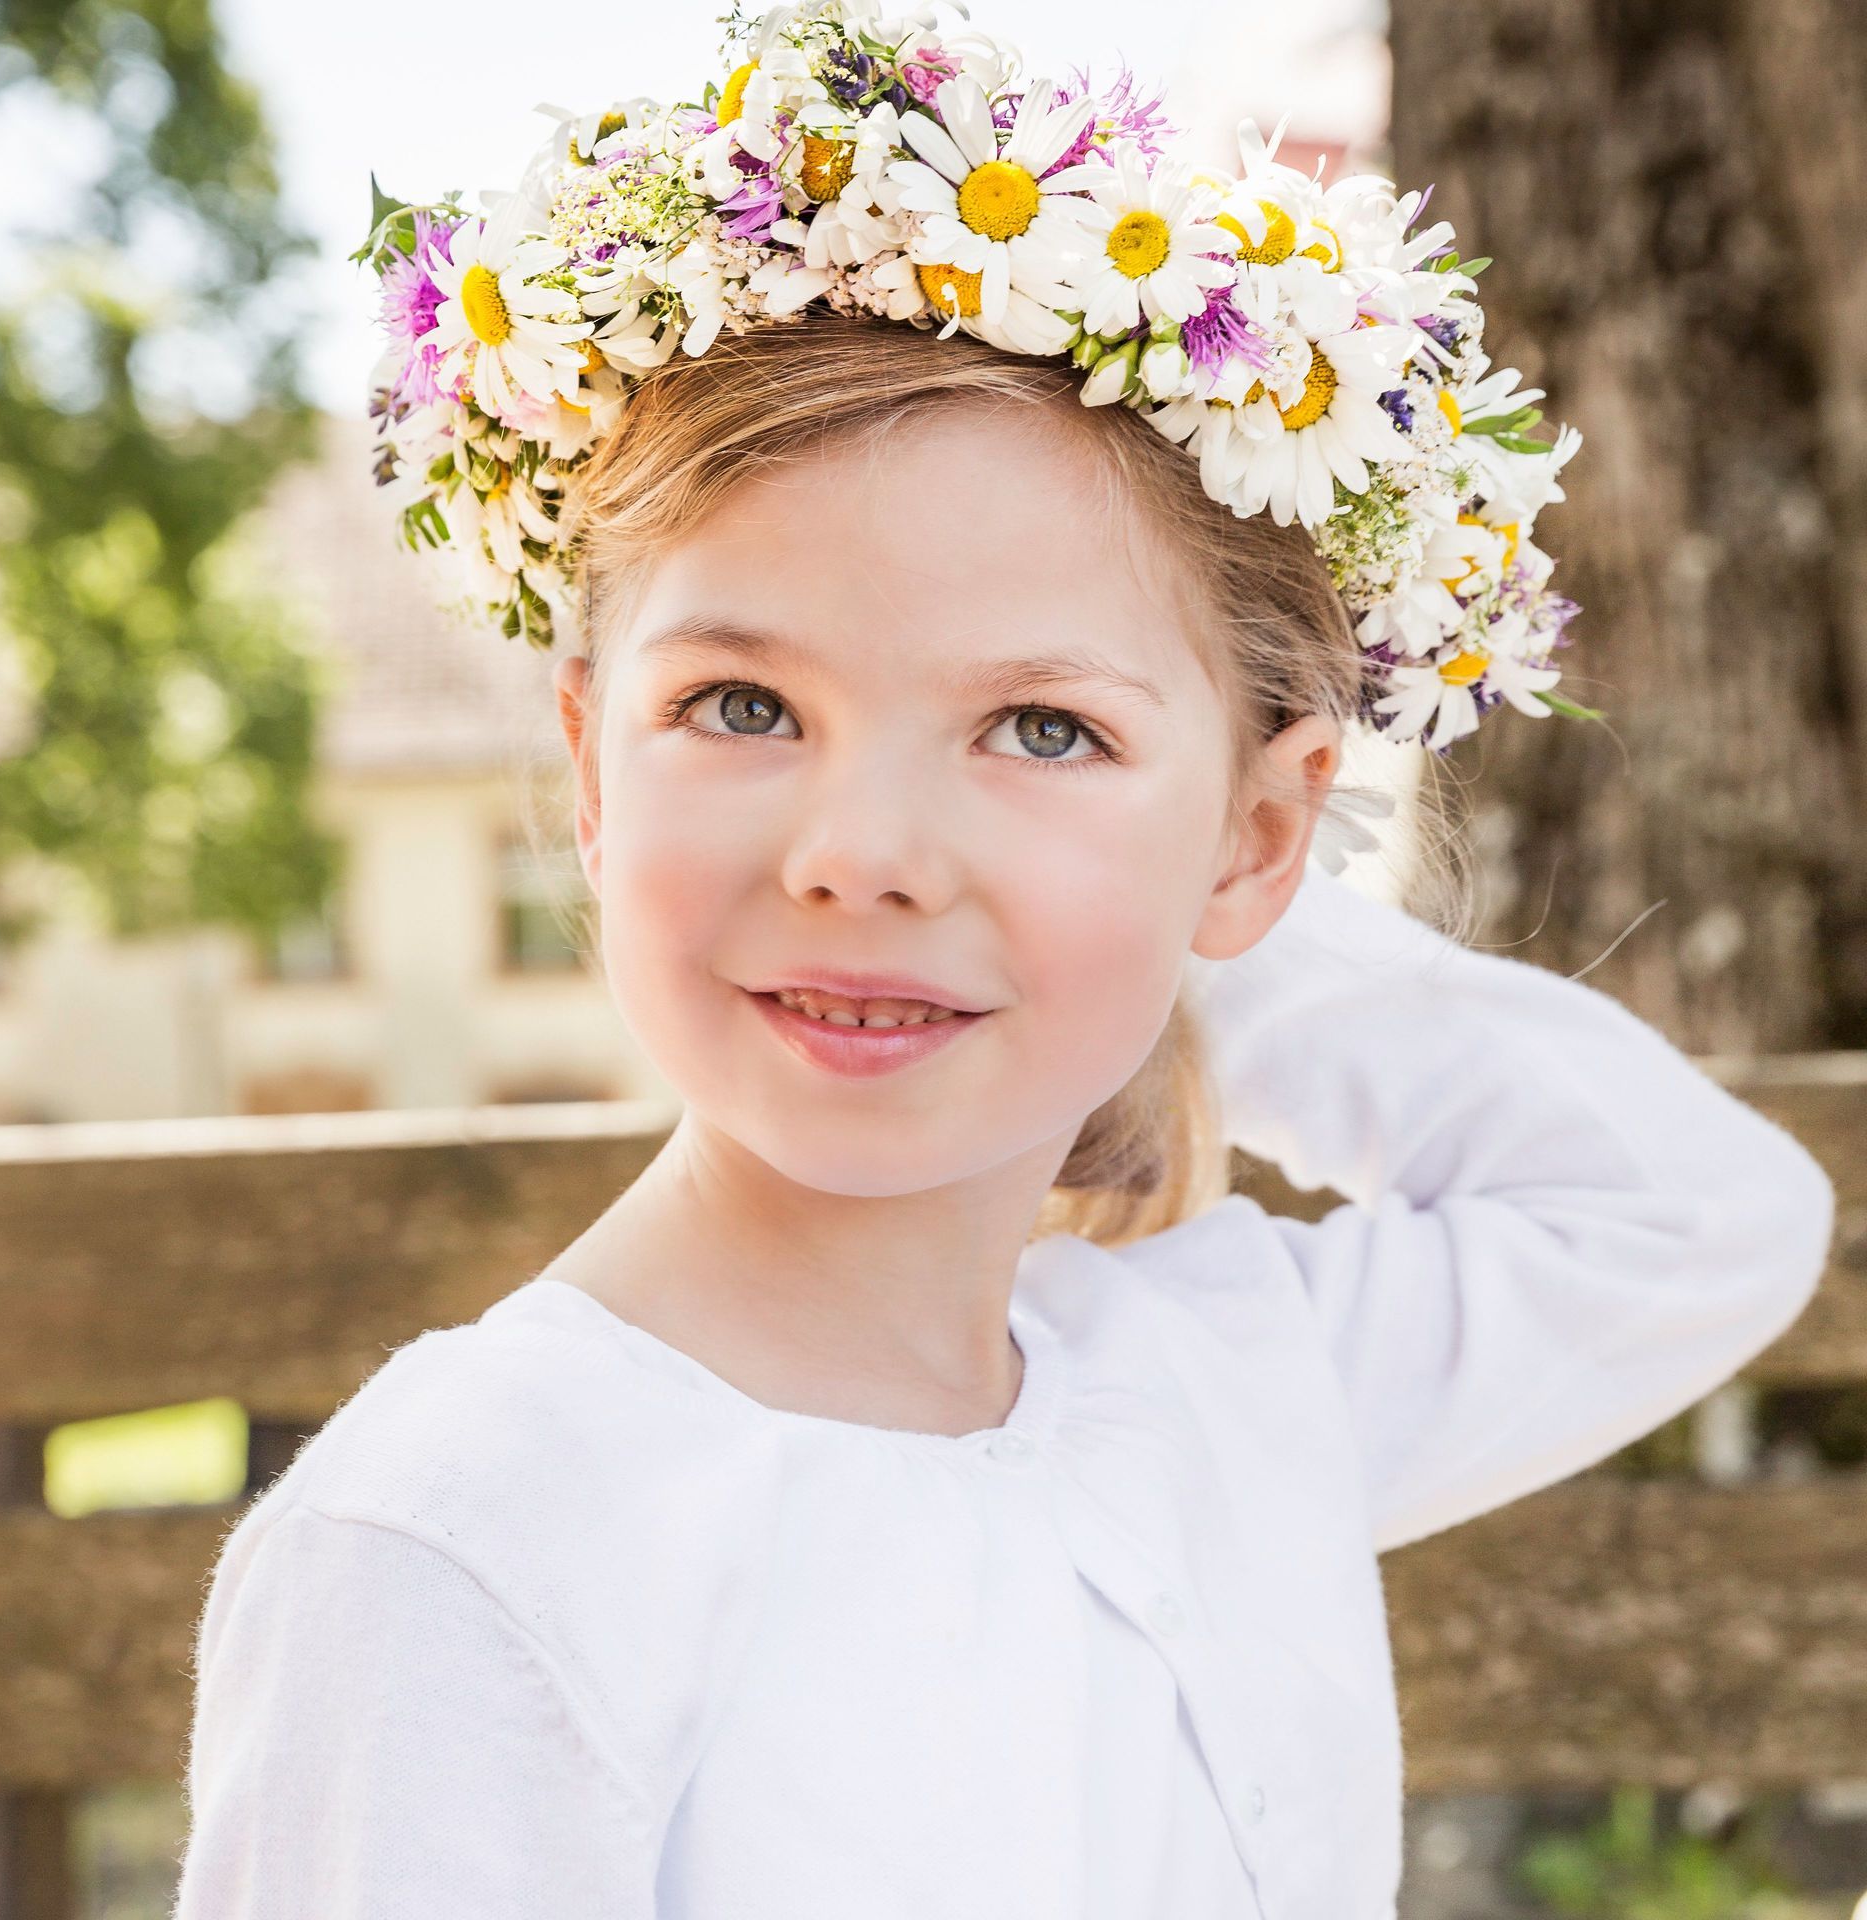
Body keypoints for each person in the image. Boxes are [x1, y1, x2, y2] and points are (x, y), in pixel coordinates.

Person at [171, 14, 1837, 1918]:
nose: (862, 855)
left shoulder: (1212, 1388)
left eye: (1043, 730)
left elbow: (1696, 1216)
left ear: (1264, 834)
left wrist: (1164, 915)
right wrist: (1102, 882)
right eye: (741, 704)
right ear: (590, 771)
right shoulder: (464, 1541)